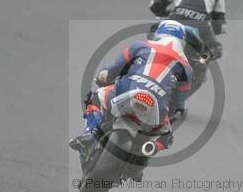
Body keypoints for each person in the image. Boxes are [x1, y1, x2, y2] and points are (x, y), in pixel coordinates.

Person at [69, 20, 193, 153]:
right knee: (166, 135)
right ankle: (148, 150)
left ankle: (91, 131)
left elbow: (113, 70)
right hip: (157, 107)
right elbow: (178, 100)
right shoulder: (187, 68)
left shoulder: (139, 46)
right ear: (183, 41)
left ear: (157, 34)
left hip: (127, 92)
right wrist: (174, 111)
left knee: (96, 96)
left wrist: (102, 76)